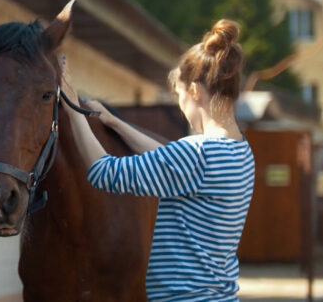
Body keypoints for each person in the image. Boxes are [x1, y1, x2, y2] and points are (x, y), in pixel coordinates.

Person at [61, 19, 254, 301]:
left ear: (195, 92)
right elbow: (168, 159)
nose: (182, 108)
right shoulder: (240, 151)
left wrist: (72, 109)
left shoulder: (196, 154)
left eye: (179, 96)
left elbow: (104, 172)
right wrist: (115, 123)